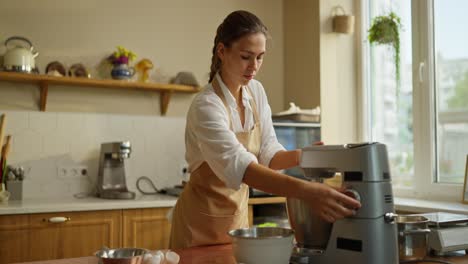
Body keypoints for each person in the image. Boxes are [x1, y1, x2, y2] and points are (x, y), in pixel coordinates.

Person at [169, 10, 361, 249]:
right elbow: (244, 169)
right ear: (222, 51)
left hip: (236, 226)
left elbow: (269, 154)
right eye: (246, 57)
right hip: (196, 231)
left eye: (260, 57)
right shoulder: (206, 105)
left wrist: (303, 156)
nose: (254, 66)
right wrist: (307, 191)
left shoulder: (256, 92)